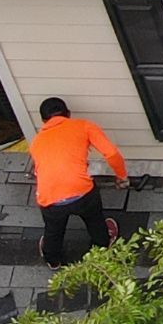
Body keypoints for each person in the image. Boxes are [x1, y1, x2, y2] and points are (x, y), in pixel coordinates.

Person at [29, 97, 127, 265]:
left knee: (53, 229)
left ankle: (52, 259)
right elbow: (111, 153)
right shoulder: (83, 126)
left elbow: (39, 169)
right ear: (68, 114)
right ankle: (102, 246)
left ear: (44, 120)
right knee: (94, 219)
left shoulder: (36, 142)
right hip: (81, 192)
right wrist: (121, 176)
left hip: (50, 198)